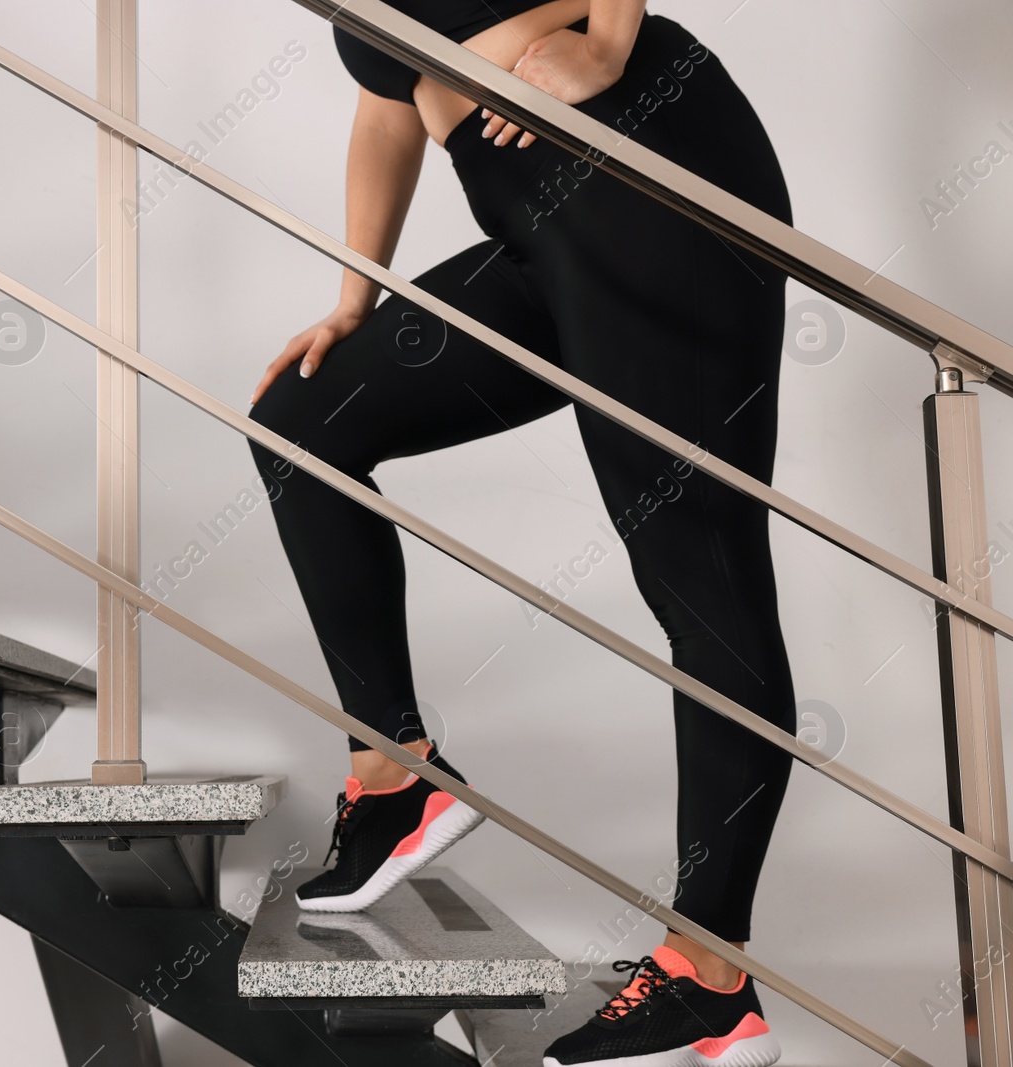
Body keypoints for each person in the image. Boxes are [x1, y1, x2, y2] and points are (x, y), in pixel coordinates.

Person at [246, 2, 795, 1064]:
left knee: (700, 581)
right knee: (302, 426)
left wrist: (603, 46)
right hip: (534, 229)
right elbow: (384, 109)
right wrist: (353, 301)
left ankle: (710, 973)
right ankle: (394, 771)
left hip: (646, 169)